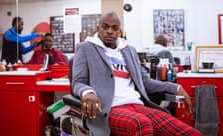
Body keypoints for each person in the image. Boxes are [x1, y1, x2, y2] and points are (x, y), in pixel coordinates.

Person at [71, 11, 201, 136]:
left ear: (119, 31)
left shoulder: (129, 50)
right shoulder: (86, 48)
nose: (110, 31)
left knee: (192, 133)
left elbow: (145, 81)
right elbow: (78, 82)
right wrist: (88, 92)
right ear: (99, 28)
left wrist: (175, 88)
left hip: (137, 105)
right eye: (105, 27)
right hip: (110, 109)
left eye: (115, 28)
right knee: (142, 125)